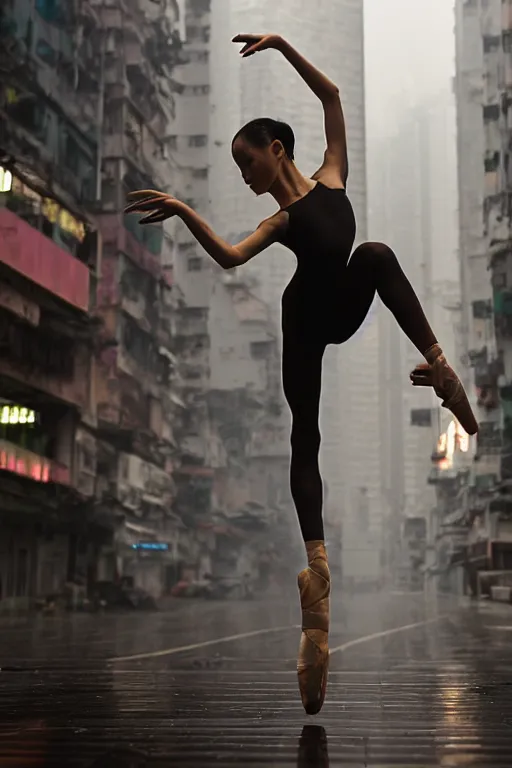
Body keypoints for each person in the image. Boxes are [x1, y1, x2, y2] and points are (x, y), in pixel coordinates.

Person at [124, 33, 478, 715]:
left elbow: (333, 96)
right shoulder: (280, 221)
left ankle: (440, 369)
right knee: (303, 437)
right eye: (238, 165)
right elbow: (230, 258)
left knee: (374, 251)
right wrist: (183, 208)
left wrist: (283, 45)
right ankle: (317, 579)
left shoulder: (333, 174)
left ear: (276, 149)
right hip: (303, 326)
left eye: (247, 159)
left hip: (343, 305)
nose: (245, 172)